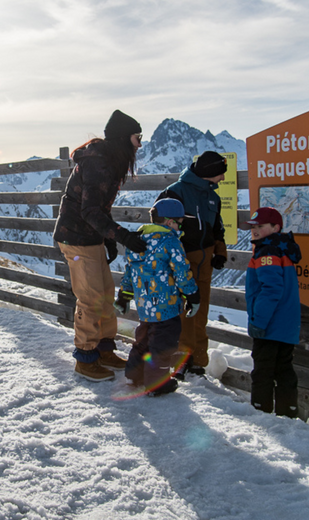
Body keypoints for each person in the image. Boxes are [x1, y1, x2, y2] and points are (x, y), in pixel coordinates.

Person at [53, 110, 147, 382]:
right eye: (136, 137)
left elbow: (98, 209)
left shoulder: (108, 160)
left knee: (105, 293)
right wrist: (122, 236)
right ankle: (85, 358)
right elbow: (90, 210)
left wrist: (107, 238)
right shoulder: (99, 162)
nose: (138, 144)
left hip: (89, 235)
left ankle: (104, 349)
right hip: (76, 236)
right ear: (122, 138)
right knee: (91, 297)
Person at [115, 198, 200, 397]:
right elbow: (181, 272)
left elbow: (129, 272)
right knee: (163, 344)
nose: (180, 226)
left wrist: (124, 296)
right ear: (169, 222)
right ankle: (157, 383)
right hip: (167, 306)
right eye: (179, 222)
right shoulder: (171, 242)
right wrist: (192, 295)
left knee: (143, 338)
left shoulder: (137, 240)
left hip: (145, 305)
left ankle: (135, 375)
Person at [157, 151, 228, 378]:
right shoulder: (174, 192)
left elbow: (217, 228)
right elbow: (160, 224)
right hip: (181, 261)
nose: (223, 179)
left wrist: (220, 251)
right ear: (210, 172)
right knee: (183, 311)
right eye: (221, 173)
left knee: (201, 310)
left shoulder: (213, 197)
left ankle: (198, 360)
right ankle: (180, 361)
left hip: (204, 261)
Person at [241, 207, 302, 418]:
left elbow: (271, 289)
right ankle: (288, 412)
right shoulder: (283, 247)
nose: (255, 231)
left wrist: (259, 321)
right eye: (254, 227)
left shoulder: (267, 251)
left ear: (276, 227)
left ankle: (261, 413)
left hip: (270, 324)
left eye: (261, 227)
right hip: (287, 323)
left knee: (263, 371)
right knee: (284, 368)